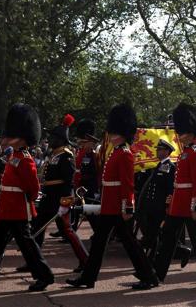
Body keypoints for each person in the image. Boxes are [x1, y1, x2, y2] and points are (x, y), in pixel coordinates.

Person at [67, 104, 158, 290]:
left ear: (122, 132)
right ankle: (88, 278)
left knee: (129, 243)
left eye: (115, 131)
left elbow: (127, 184)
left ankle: (149, 276)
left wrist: (128, 207)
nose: (111, 135)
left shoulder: (124, 154)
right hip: (109, 205)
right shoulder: (116, 152)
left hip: (118, 206)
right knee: (100, 242)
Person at [0, 103, 54, 292]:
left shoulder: (25, 158)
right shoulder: (13, 156)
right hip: (6, 207)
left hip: (17, 208)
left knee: (27, 245)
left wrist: (28, 201)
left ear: (24, 137)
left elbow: (32, 187)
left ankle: (45, 275)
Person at [153, 103, 196, 289]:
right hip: (178, 202)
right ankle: (156, 274)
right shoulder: (184, 154)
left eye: (182, 132)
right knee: (167, 239)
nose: (179, 136)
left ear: (190, 133)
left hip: (189, 205)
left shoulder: (195, 154)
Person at [22, 114, 89, 273]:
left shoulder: (66, 156)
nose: (50, 140)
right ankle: (34, 261)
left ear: (60, 139)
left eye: (53, 137)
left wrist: (65, 203)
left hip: (59, 199)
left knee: (67, 231)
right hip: (48, 198)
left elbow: (68, 182)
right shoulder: (54, 154)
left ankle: (85, 260)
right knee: (37, 228)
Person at [140, 139, 190, 266]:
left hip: (160, 207)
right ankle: (181, 251)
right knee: (155, 235)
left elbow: (170, 189)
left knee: (154, 235)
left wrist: (167, 206)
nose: (157, 151)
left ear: (167, 151)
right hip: (153, 206)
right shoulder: (159, 165)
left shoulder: (169, 167)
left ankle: (149, 263)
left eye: (160, 149)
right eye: (157, 149)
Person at [72, 118, 101, 233]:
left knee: (90, 212)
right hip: (80, 186)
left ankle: (99, 232)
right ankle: (70, 232)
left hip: (88, 187)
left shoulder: (92, 154)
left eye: (84, 142)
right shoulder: (81, 152)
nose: (81, 144)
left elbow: (94, 172)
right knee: (75, 209)